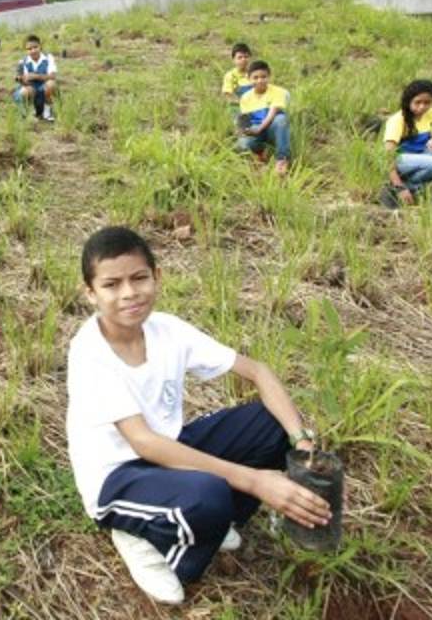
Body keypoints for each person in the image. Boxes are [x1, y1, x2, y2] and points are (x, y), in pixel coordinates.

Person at [66, 226, 330, 605]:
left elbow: (258, 372)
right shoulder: (89, 352)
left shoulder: (167, 330)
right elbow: (141, 440)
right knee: (209, 494)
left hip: (169, 450)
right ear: (90, 292)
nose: (129, 293)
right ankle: (141, 536)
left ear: (157, 277)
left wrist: (301, 439)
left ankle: (213, 518)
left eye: (139, 278)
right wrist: (256, 481)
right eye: (112, 284)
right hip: (117, 479)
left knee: (269, 425)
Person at [236, 61, 291, 175]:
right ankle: (259, 155)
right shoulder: (245, 97)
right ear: (249, 79)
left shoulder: (278, 92)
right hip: (256, 130)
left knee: (280, 119)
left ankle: (282, 159)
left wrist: (260, 128)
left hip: (272, 128)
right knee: (241, 144)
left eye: (263, 77)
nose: (260, 80)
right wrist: (244, 130)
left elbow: (272, 113)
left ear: (269, 76)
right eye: (255, 77)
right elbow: (246, 121)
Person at [14, 34, 57, 122]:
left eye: (35, 47)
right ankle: (31, 111)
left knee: (51, 84)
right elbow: (24, 82)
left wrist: (35, 76)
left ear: (40, 46)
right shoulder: (23, 62)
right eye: (29, 49)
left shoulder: (48, 57)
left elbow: (52, 76)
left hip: (44, 89)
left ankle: (47, 111)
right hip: (32, 89)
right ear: (26, 50)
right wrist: (22, 80)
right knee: (25, 91)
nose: (33, 51)